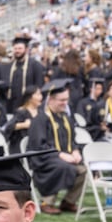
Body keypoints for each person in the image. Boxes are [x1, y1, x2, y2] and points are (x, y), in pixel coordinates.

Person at [26, 79, 88, 214]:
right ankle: (47, 202)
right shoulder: (40, 119)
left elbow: (72, 141)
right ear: (51, 100)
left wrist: (76, 150)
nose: (65, 103)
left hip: (63, 157)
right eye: (61, 100)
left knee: (83, 169)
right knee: (62, 166)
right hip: (44, 159)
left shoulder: (66, 118)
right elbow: (38, 146)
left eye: (66, 100)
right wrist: (60, 154)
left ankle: (68, 202)